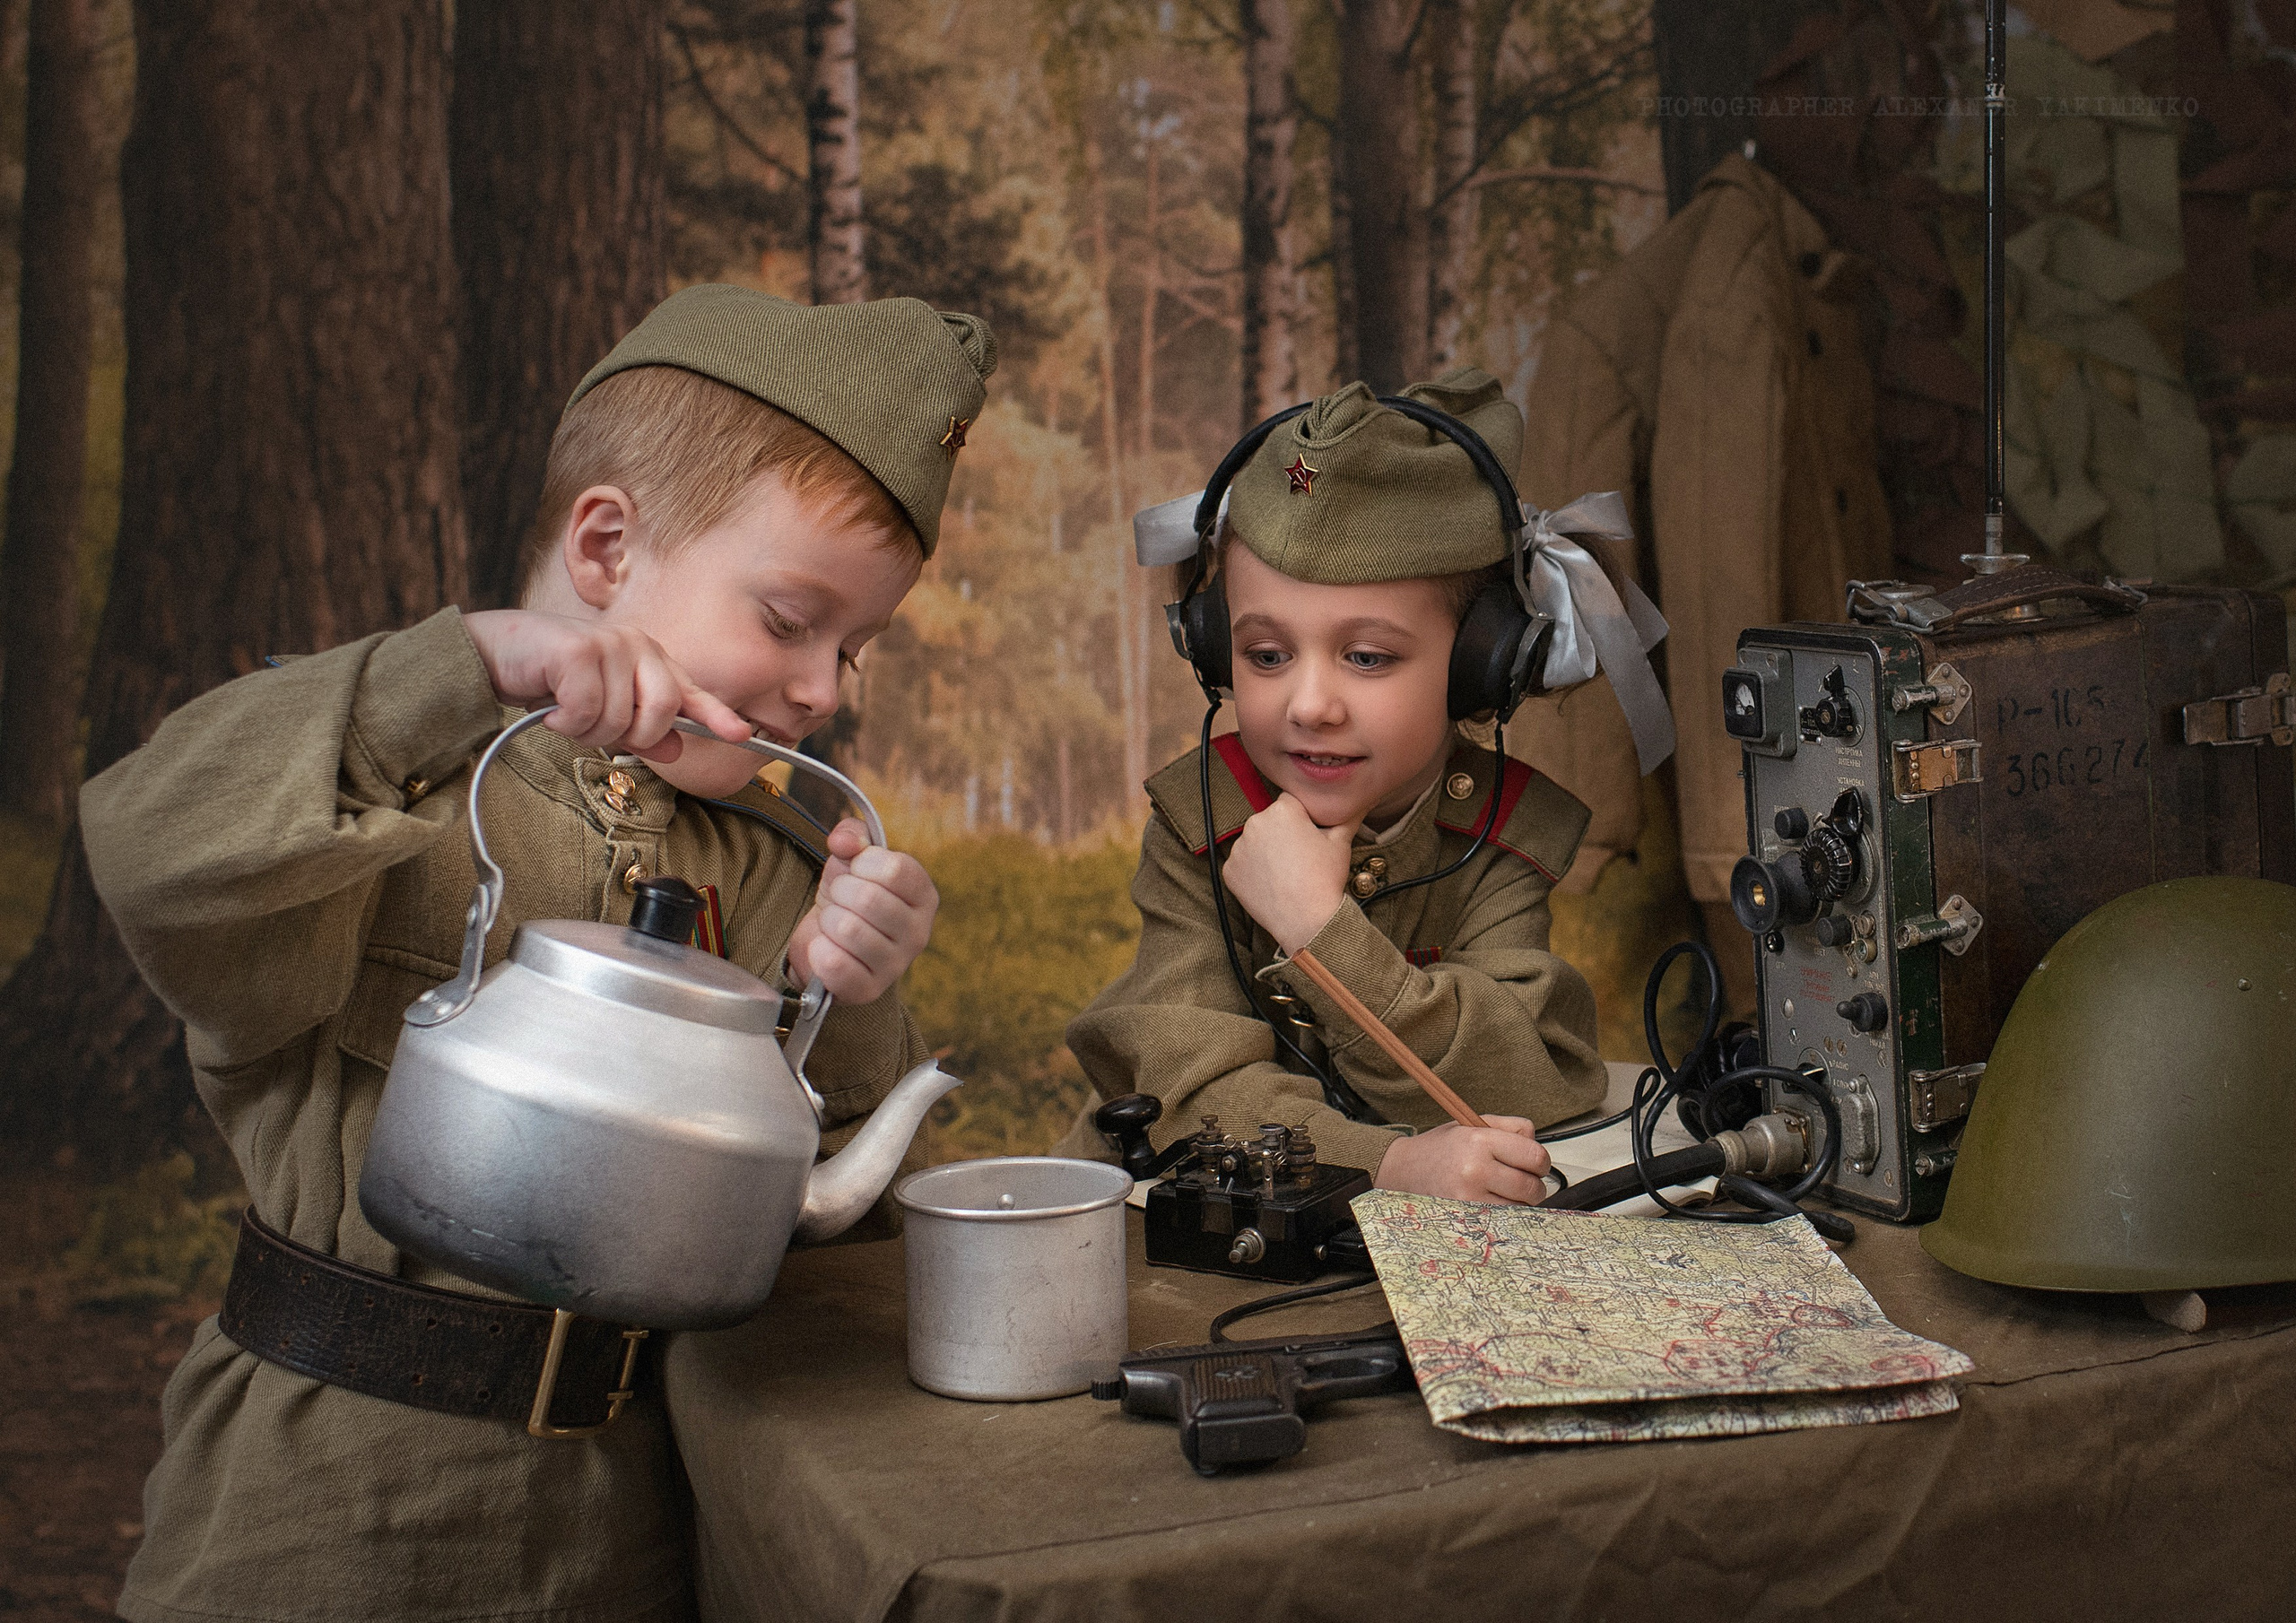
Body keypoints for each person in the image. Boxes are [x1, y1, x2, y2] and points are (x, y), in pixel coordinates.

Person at [83, 285, 996, 1623]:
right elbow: (154, 845)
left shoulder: (766, 863)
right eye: (792, 620)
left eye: (855, 648)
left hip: (632, 1533)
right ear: (607, 547)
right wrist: (460, 669)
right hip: (322, 1521)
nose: (824, 690)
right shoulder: (381, 786)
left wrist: (846, 990)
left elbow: (825, 1232)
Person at [1064, 369, 1609, 1204]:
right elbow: (1187, 1088)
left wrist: (1324, 932)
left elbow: (1533, 1075)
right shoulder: (1201, 823)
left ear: (1480, 666)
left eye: (1367, 657)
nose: (1309, 706)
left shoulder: (1496, 832)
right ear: (1214, 651)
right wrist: (1386, 1165)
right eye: (1266, 655)